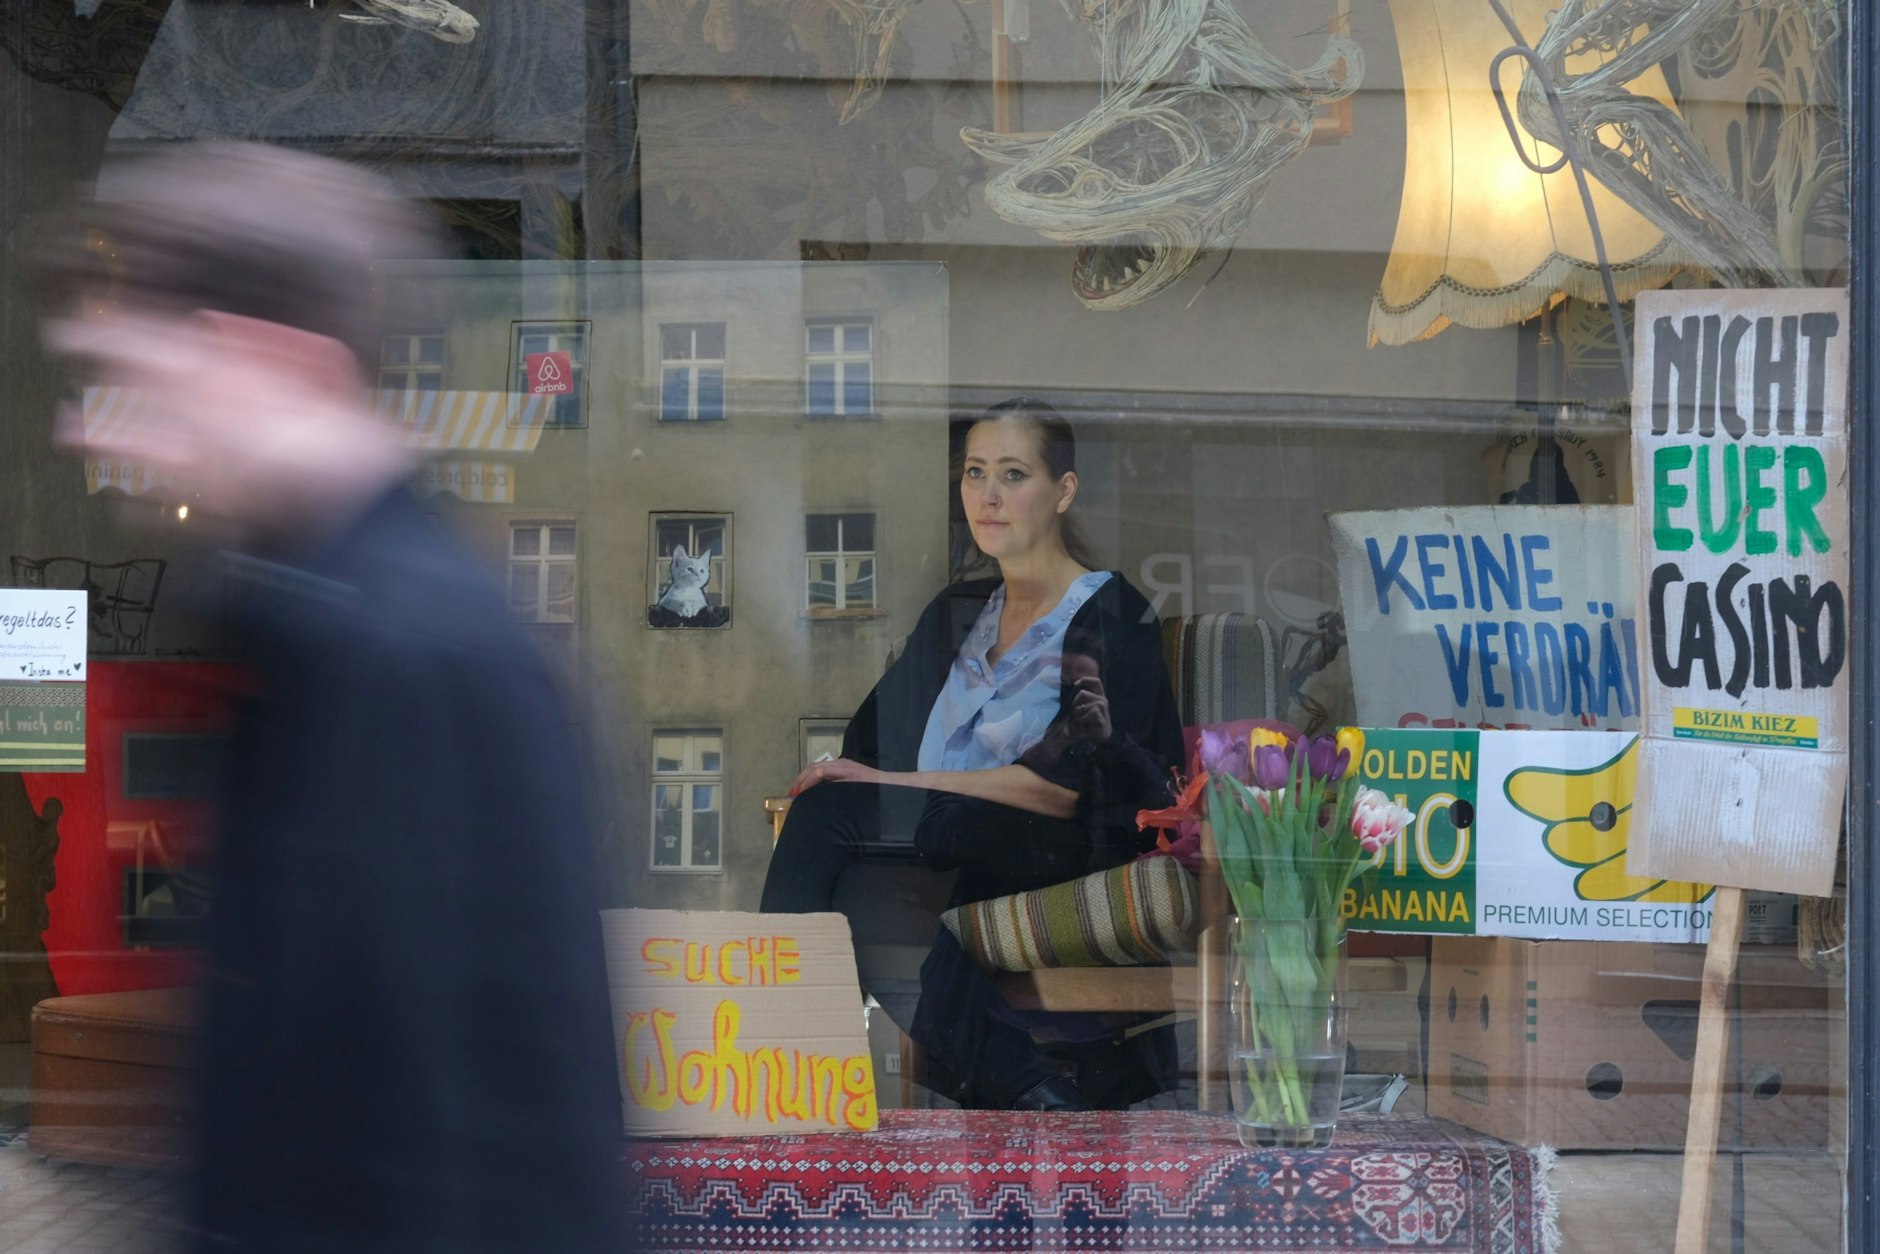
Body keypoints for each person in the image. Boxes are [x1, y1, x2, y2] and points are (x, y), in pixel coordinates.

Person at [38, 143, 630, 1252]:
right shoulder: (331, 626)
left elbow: (452, 1157)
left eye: (126, 377)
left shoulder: (404, 651)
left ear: (261, 356)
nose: (86, 428)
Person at [760, 397, 1182, 1111]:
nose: (987, 496)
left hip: (1059, 847)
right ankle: (1034, 1088)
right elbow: (875, 744)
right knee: (859, 886)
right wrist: (883, 784)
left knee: (832, 816)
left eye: (1013, 475)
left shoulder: (1109, 611)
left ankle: (776, 1064)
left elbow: (1072, 788)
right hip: (944, 857)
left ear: (1063, 491)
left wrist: (890, 786)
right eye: (975, 473)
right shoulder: (959, 613)